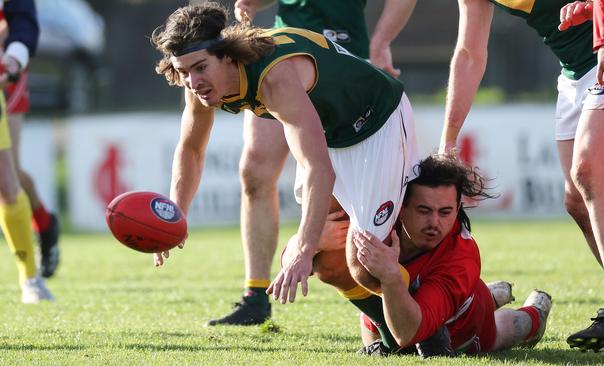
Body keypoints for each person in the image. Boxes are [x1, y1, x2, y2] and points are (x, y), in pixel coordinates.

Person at [150, 2, 419, 317]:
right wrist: (176, 214)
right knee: (328, 264)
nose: (193, 82)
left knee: (365, 264)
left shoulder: (275, 78)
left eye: (200, 68)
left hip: (378, 122)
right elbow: (191, 149)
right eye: (183, 72)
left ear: (226, 55)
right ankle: (393, 335)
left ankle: (443, 322)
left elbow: (319, 170)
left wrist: (304, 248)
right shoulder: (199, 86)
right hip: (334, 134)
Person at [439, 0, 604, 353]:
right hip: (575, 71)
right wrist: (448, 138)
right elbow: (469, 53)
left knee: (589, 171)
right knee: (577, 201)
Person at [282, 155, 552, 356]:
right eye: (424, 210)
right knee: (327, 262)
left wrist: (389, 277)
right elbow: (290, 263)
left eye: (445, 212)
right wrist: (306, 243)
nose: (435, 222)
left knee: (506, 328)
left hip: (461, 323)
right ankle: (496, 293)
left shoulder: (461, 259)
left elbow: (409, 333)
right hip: (387, 315)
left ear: (458, 207)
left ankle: (533, 314)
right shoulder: (381, 214)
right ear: (401, 206)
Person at [0, 0, 54, 304]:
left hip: (5, 73)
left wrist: (13, 58)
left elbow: (23, 19)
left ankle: (31, 279)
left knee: (8, 181)